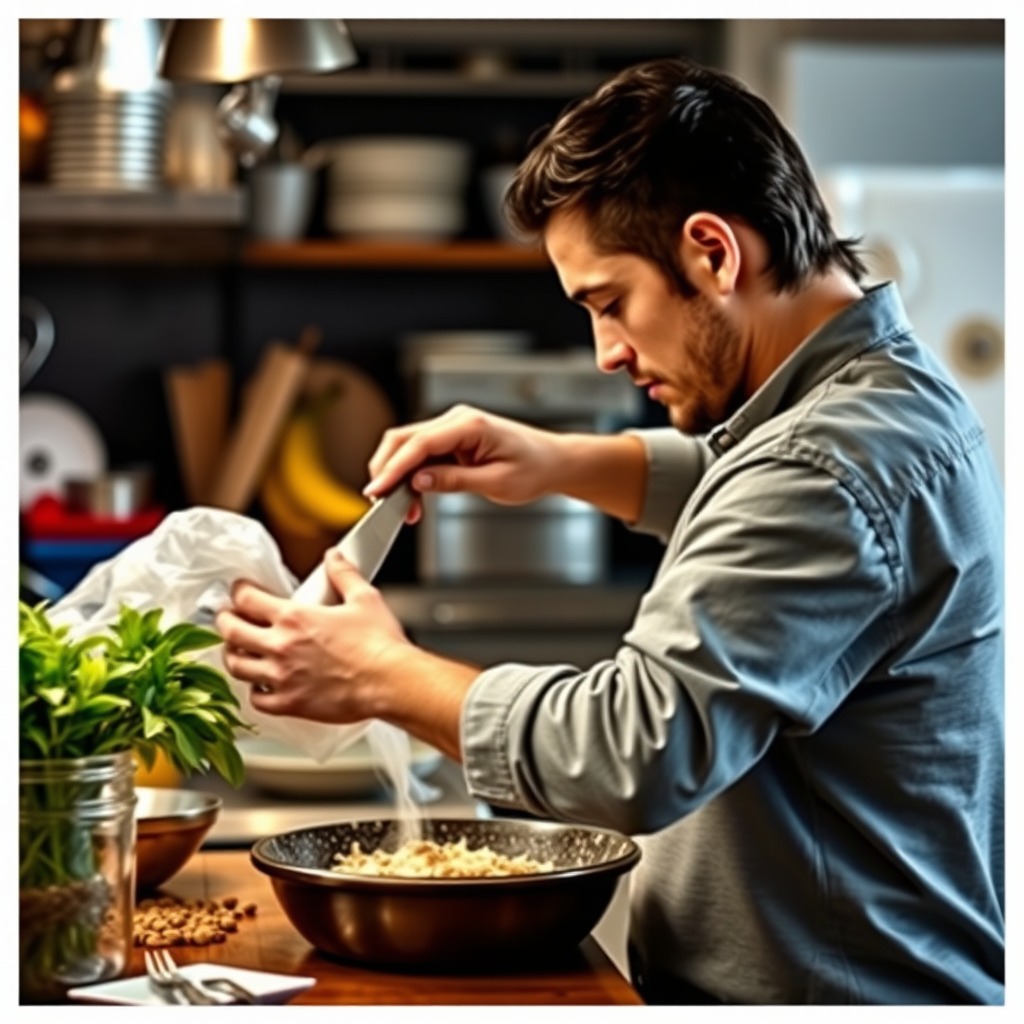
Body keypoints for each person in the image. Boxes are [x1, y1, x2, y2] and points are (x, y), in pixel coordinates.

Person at [215, 58, 1004, 1004]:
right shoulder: (880, 392)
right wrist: (560, 460)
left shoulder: (824, 465)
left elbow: (637, 750)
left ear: (712, 252)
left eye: (609, 302)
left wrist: (380, 674)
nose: (608, 352)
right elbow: (751, 492)